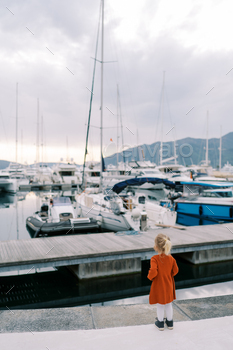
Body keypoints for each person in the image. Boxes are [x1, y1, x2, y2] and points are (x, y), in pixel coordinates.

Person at [147, 233, 179, 331]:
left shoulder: (154, 259)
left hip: (159, 285)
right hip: (169, 284)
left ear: (156, 246)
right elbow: (176, 270)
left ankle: (160, 323)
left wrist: (150, 277)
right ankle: (170, 323)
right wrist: (168, 276)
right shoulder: (171, 258)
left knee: (160, 304)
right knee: (168, 304)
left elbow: (153, 271)